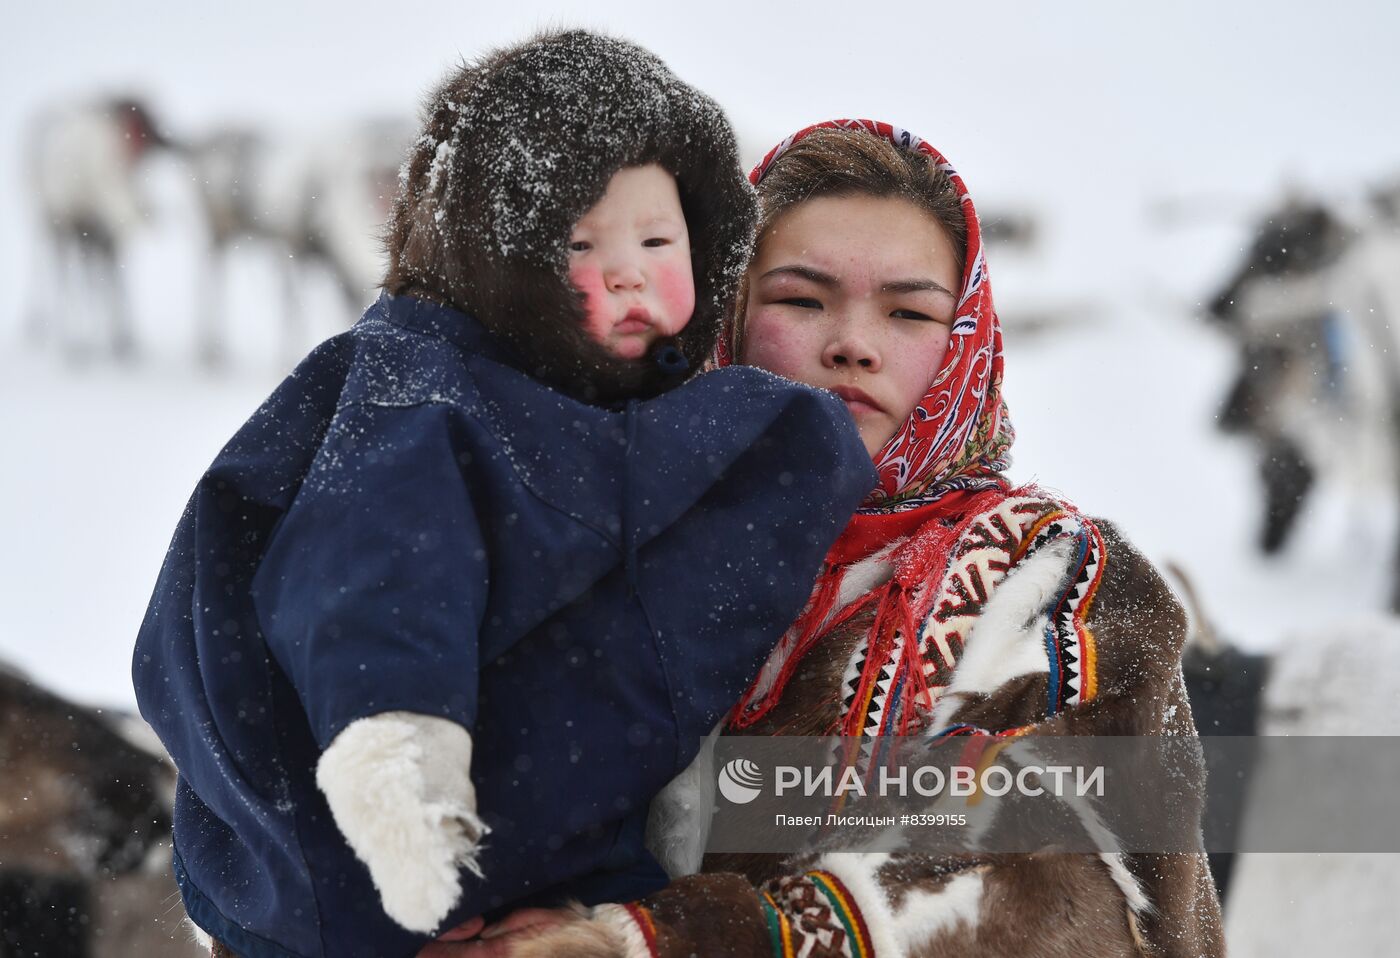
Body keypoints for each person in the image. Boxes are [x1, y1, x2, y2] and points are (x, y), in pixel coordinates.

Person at [133, 36, 877, 958]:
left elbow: (1071, 822)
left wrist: (638, 932)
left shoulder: (1032, 583)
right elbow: (379, 567)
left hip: (542, 879)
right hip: (378, 861)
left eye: (658, 239)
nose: (629, 271)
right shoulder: (436, 396)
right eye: (802, 299)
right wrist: (401, 764)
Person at [455, 121, 1225, 958]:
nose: (853, 344)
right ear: (728, 317)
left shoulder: (1059, 582)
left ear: (964, 343)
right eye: (801, 299)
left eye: (908, 311)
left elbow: (1049, 883)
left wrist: (655, 943)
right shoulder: (601, 552)